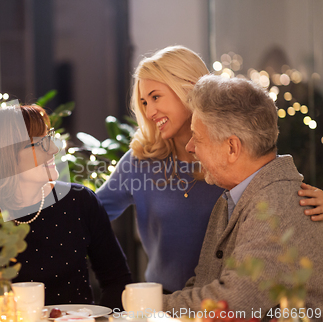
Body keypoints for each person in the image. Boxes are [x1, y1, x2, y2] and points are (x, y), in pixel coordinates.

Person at [96, 45, 323, 293]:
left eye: (156, 97)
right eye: (143, 102)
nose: (149, 111)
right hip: (166, 303)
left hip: (226, 300)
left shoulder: (235, 157)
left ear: (188, 89)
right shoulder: (140, 162)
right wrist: (116, 282)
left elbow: (281, 197)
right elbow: (89, 216)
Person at [0, 104, 132, 309]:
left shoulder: (80, 202)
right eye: (39, 144)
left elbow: (117, 282)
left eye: (49, 138)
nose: (54, 149)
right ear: (3, 157)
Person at [163, 75, 323, 319]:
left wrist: (147, 307)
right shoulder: (232, 198)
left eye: (198, 136)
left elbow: (235, 302)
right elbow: (204, 283)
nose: (190, 147)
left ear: (232, 148)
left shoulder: (276, 205)